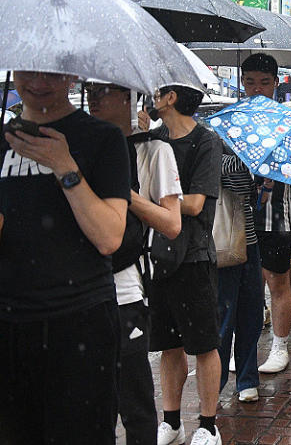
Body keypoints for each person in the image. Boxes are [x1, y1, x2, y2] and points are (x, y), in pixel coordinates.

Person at [0, 71, 129, 444]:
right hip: (9, 324)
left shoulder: (102, 139)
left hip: (81, 324)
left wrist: (65, 166)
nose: (39, 81)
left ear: (72, 73)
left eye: (52, 71)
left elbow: (109, 237)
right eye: (30, 68)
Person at [88, 82, 184, 444]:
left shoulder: (153, 150)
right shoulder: (80, 145)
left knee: (135, 403)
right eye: (90, 89)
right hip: (82, 290)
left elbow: (172, 224)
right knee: (93, 403)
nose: (95, 96)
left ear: (130, 97)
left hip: (127, 289)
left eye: (106, 90)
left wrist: (124, 194)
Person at [150, 85, 224, 445]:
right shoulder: (151, 139)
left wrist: (155, 200)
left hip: (193, 256)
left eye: (160, 91)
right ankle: (171, 421)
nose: (154, 95)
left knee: (203, 344)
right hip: (158, 255)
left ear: (172, 98)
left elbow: (195, 204)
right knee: (168, 344)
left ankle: (209, 424)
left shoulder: (206, 142)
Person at [239, 54, 291, 375]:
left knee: (276, 281)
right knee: (243, 286)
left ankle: (279, 346)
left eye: (263, 82)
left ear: (276, 83)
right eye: (250, 82)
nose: (256, 89)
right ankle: (244, 347)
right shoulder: (233, 118)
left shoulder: (287, 120)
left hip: (275, 215)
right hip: (237, 215)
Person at [217, 150, 262, 402]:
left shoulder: (244, 156)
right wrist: (252, 164)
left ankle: (247, 378)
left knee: (251, 312)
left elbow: (251, 196)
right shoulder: (213, 148)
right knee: (224, 317)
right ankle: (217, 380)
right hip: (224, 243)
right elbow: (238, 182)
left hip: (248, 243)